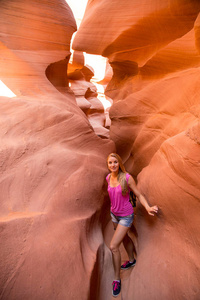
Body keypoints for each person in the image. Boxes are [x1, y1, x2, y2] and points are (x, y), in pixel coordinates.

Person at [106, 153, 158, 297]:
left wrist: (147, 207)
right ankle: (132, 260)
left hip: (125, 216)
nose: (113, 165)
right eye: (110, 163)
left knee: (113, 246)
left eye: (115, 162)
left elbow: (139, 195)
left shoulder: (127, 178)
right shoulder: (108, 178)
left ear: (119, 162)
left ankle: (117, 279)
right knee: (123, 238)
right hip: (114, 215)